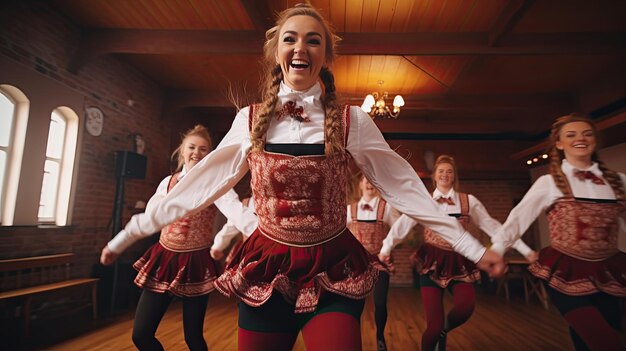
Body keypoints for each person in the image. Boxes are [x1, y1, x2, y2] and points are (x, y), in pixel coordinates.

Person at [101, 4, 505, 350]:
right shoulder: (250, 119)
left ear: (325, 55)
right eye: (291, 38)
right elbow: (198, 187)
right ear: (276, 52)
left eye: (313, 40)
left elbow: (407, 192)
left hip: (333, 263)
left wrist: (472, 248)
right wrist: (131, 232)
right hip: (266, 264)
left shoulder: (353, 121)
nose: (301, 47)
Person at [100, 125, 256, 351]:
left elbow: (236, 213)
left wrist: (259, 236)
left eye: (203, 149)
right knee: (141, 334)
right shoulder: (168, 182)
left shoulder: (215, 185)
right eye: (191, 147)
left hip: (196, 262)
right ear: (182, 151)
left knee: (193, 337)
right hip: (164, 259)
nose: (196, 153)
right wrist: (120, 242)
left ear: (210, 154)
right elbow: (151, 216)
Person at [490, 113, 625, 351]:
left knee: (593, 336)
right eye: (571, 135)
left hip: (609, 271)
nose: (580, 139)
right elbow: (517, 220)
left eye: (587, 133)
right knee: (605, 342)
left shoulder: (619, 181)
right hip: (565, 271)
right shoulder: (549, 182)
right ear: (560, 144)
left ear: (594, 140)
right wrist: (497, 251)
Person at [380, 155, 538, 351]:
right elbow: (402, 225)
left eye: (449, 171)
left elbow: (494, 227)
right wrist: (386, 248)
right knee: (433, 327)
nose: (445, 175)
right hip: (432, 261)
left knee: (466, 308)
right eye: (441, 171)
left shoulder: (468, 201)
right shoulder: (424, 201)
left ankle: (445, 329)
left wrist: (524, 250)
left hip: (461, 261)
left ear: (454, 176)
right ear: (434, 176)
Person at [346, 175, 400, 351]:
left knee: (380, 302)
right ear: (360, 184)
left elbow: (399, 230)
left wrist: (388, 249)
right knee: (354, 304)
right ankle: (353, 339)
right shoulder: (349, 210)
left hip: (378, 262)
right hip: (355, 265)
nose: (369, 183)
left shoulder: (387, 208)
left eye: (372, 180)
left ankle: (380, 336)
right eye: (365, 180)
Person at [210, 196, 255, 265]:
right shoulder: (249, 201)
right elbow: (234, 222)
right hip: (251, 247)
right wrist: (218, 245)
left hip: (266, 248)